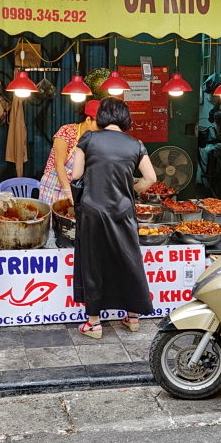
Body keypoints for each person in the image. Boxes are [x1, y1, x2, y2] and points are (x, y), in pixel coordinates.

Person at [69, 97, 157, 339]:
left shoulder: (88, 139)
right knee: (128, 260)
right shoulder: (136, 144)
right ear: (125, 117)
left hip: (93, 212)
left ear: (101, 116)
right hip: (124, 211)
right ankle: (133, 317)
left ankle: (94, 324)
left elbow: (76, 174)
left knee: (94, 264)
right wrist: (131, 190)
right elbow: (151, 178)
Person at [37, 99, 100, 204]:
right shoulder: (67, 131)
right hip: (53, 185)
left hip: (75, 188)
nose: (100, 129)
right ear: (88, 120)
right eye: (98, 125)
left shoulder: (95, 139)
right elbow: (59, 164)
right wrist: (69, 192)